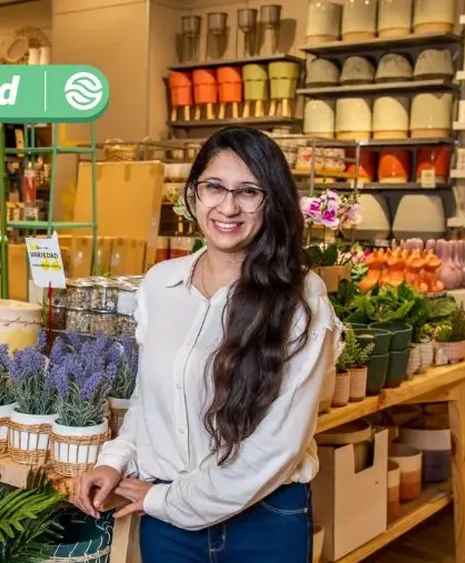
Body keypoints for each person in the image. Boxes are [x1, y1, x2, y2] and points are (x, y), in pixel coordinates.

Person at [72, 126, 341, 563]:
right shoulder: (161, 283)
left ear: (271, 202)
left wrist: (171, 502)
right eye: (214, 186)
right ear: (193, 193)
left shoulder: (299, 295)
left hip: (263, 521)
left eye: (249, 191)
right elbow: (151, 399)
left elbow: (278, 444)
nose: (228, 206)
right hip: (169, 527)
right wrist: (115, 459)